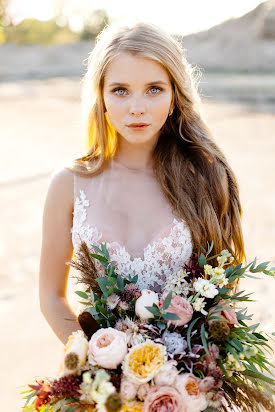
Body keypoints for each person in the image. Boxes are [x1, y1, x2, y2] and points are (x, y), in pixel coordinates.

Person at [39, 21, 246, 345]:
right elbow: (51, 295)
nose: (137, 108)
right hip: (100, 383)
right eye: (120, 90)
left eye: (154, 89)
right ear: (102, 97)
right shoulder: (69, 185)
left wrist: (189, 371)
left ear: (175, 95)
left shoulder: (205, 177)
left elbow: (222, 289)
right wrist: (93, 361)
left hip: (188, 387)